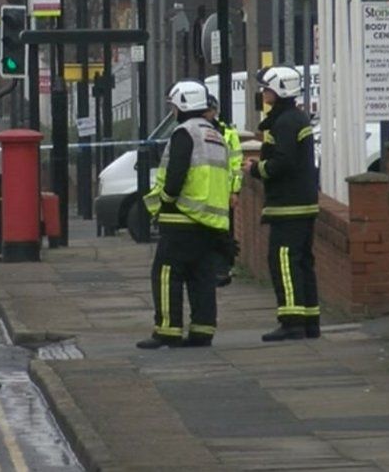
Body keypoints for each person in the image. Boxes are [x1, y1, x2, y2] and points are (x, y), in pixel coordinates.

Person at [137, 81, 233, 349]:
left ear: (183, 104)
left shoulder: (184, 133)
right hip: (209, 221)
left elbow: (177, 173)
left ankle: (167, 330)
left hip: (181, 217)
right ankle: (202, 331)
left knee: (167, 273)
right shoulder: (216, 136)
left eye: (174, 105)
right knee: (201, 276)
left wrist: (165, 201)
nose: (173, 111)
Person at [242, 65, 320, 341]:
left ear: (279, 90)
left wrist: (255, 168)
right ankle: (309, 321)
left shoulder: (285, 122)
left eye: (267, 88)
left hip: (289, 204)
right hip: (302, 202)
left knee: (284, 261)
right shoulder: (296, 118)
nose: (263, 92)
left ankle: (291, 322)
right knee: (302, 262)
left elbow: (283, 162)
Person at [205, 96, 243, 287]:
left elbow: (236, 164)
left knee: (223, 233)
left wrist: (234, 191)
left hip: (222, 192)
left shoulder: (227, 133)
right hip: (202, 192)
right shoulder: (194, 132)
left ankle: (222, 270)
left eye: (210, 110)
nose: (208, 114)